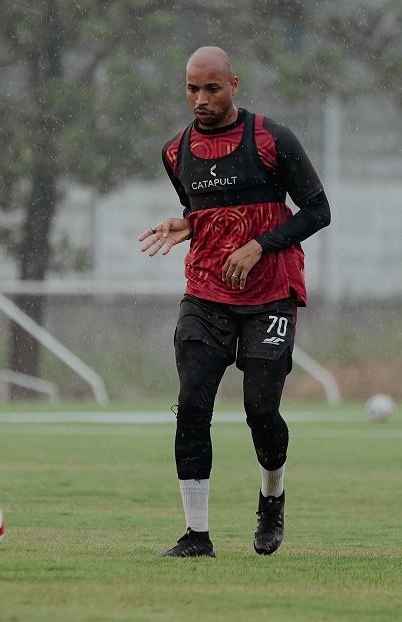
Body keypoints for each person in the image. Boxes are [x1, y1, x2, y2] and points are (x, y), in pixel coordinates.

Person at [138, 46, 331, 557]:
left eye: (212, 89)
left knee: (261, 411)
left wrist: (261, 243)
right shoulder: (175, 152)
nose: (200, 99)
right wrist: (188, 224)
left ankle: (272, 497)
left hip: (270, 295)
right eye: (191, 89)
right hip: (205, 294)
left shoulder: (272, 139)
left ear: (234, 85)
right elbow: (204, 207)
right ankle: (196, 535)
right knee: (192, 408)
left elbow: (317, 211)